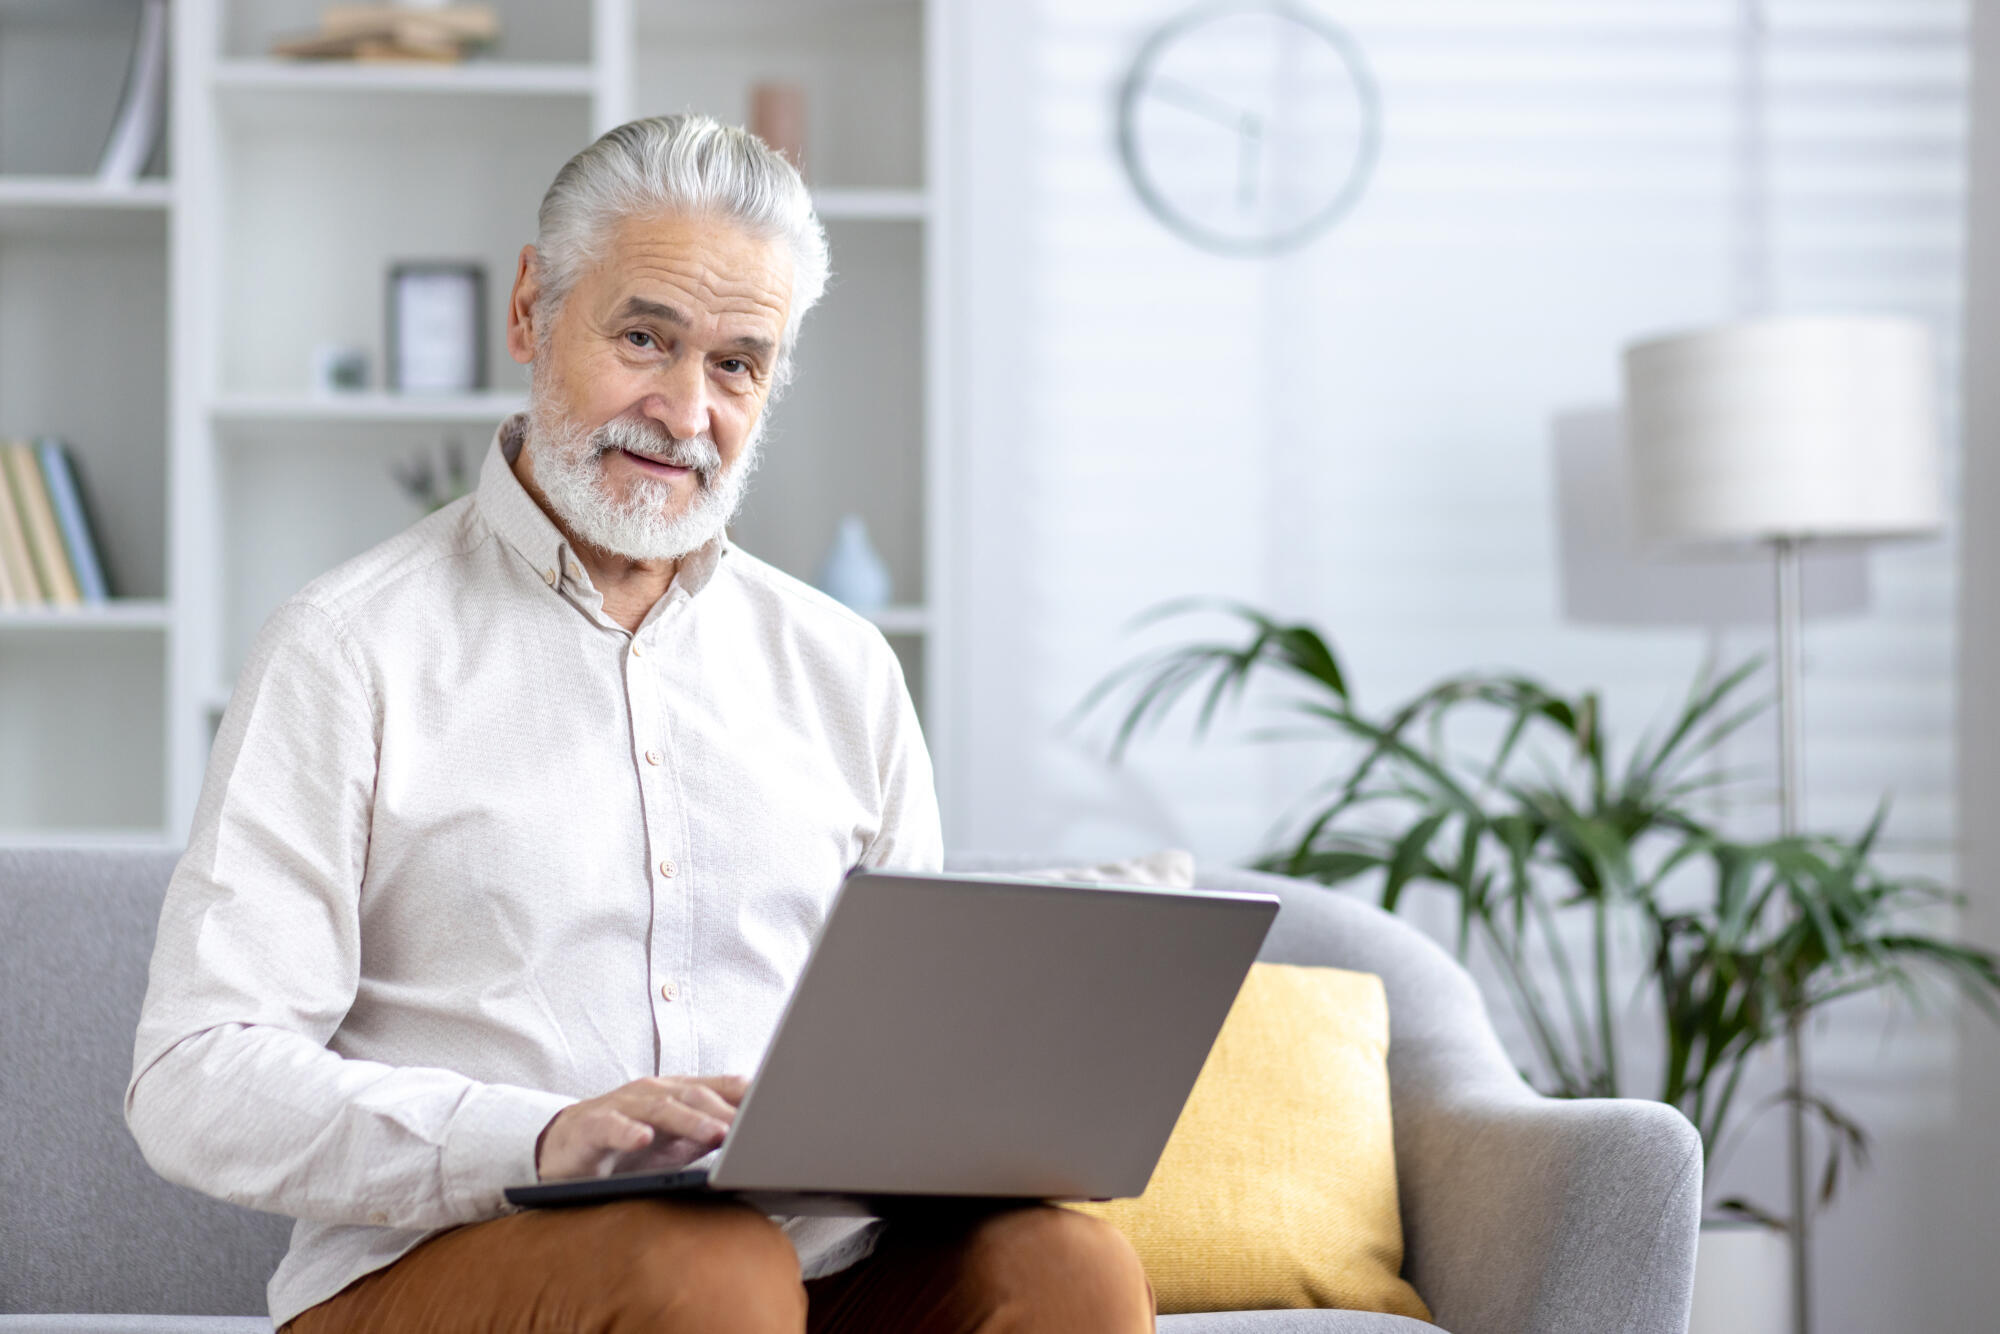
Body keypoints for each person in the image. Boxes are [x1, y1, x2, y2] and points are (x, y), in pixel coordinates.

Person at [125, 113, 1155, 1333]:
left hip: (802, 1273)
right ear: (528, 310)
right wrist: (545, 1135)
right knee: (707, 1271)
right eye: (642, 337)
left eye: (736, 364)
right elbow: (191, 1076)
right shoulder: (346, 647)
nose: (681, 409)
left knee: (1069, 1270)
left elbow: (912, 1060)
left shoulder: (843, 669)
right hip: (460, 1267)